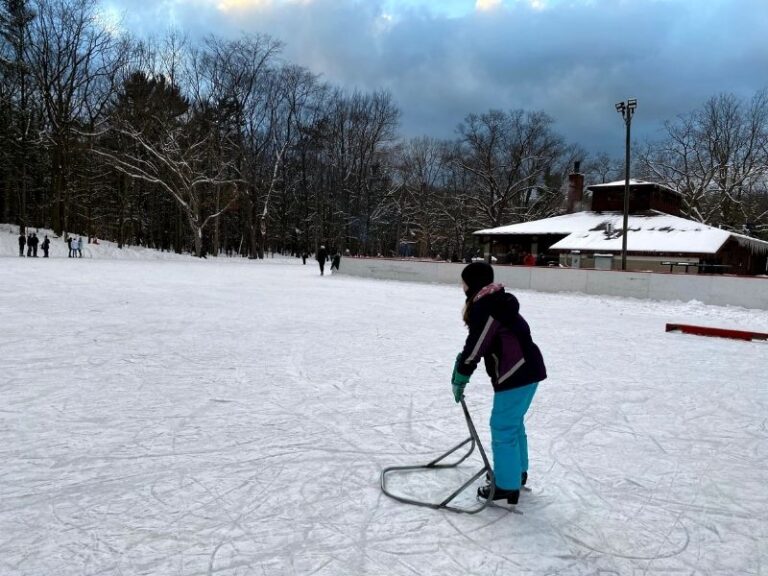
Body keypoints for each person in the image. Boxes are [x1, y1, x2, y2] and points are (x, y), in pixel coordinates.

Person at [451, 262, 546, 505]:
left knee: (502, 427)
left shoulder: (487, 307)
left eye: (464, 282)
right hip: (529, 370)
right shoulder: (496, 301)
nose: (462, 286)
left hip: (515, 373)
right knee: (513, 425)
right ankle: (516, 472)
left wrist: (462, 373)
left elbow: (476, 346)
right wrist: (464, 363)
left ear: (472, 284)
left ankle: (505, 485)